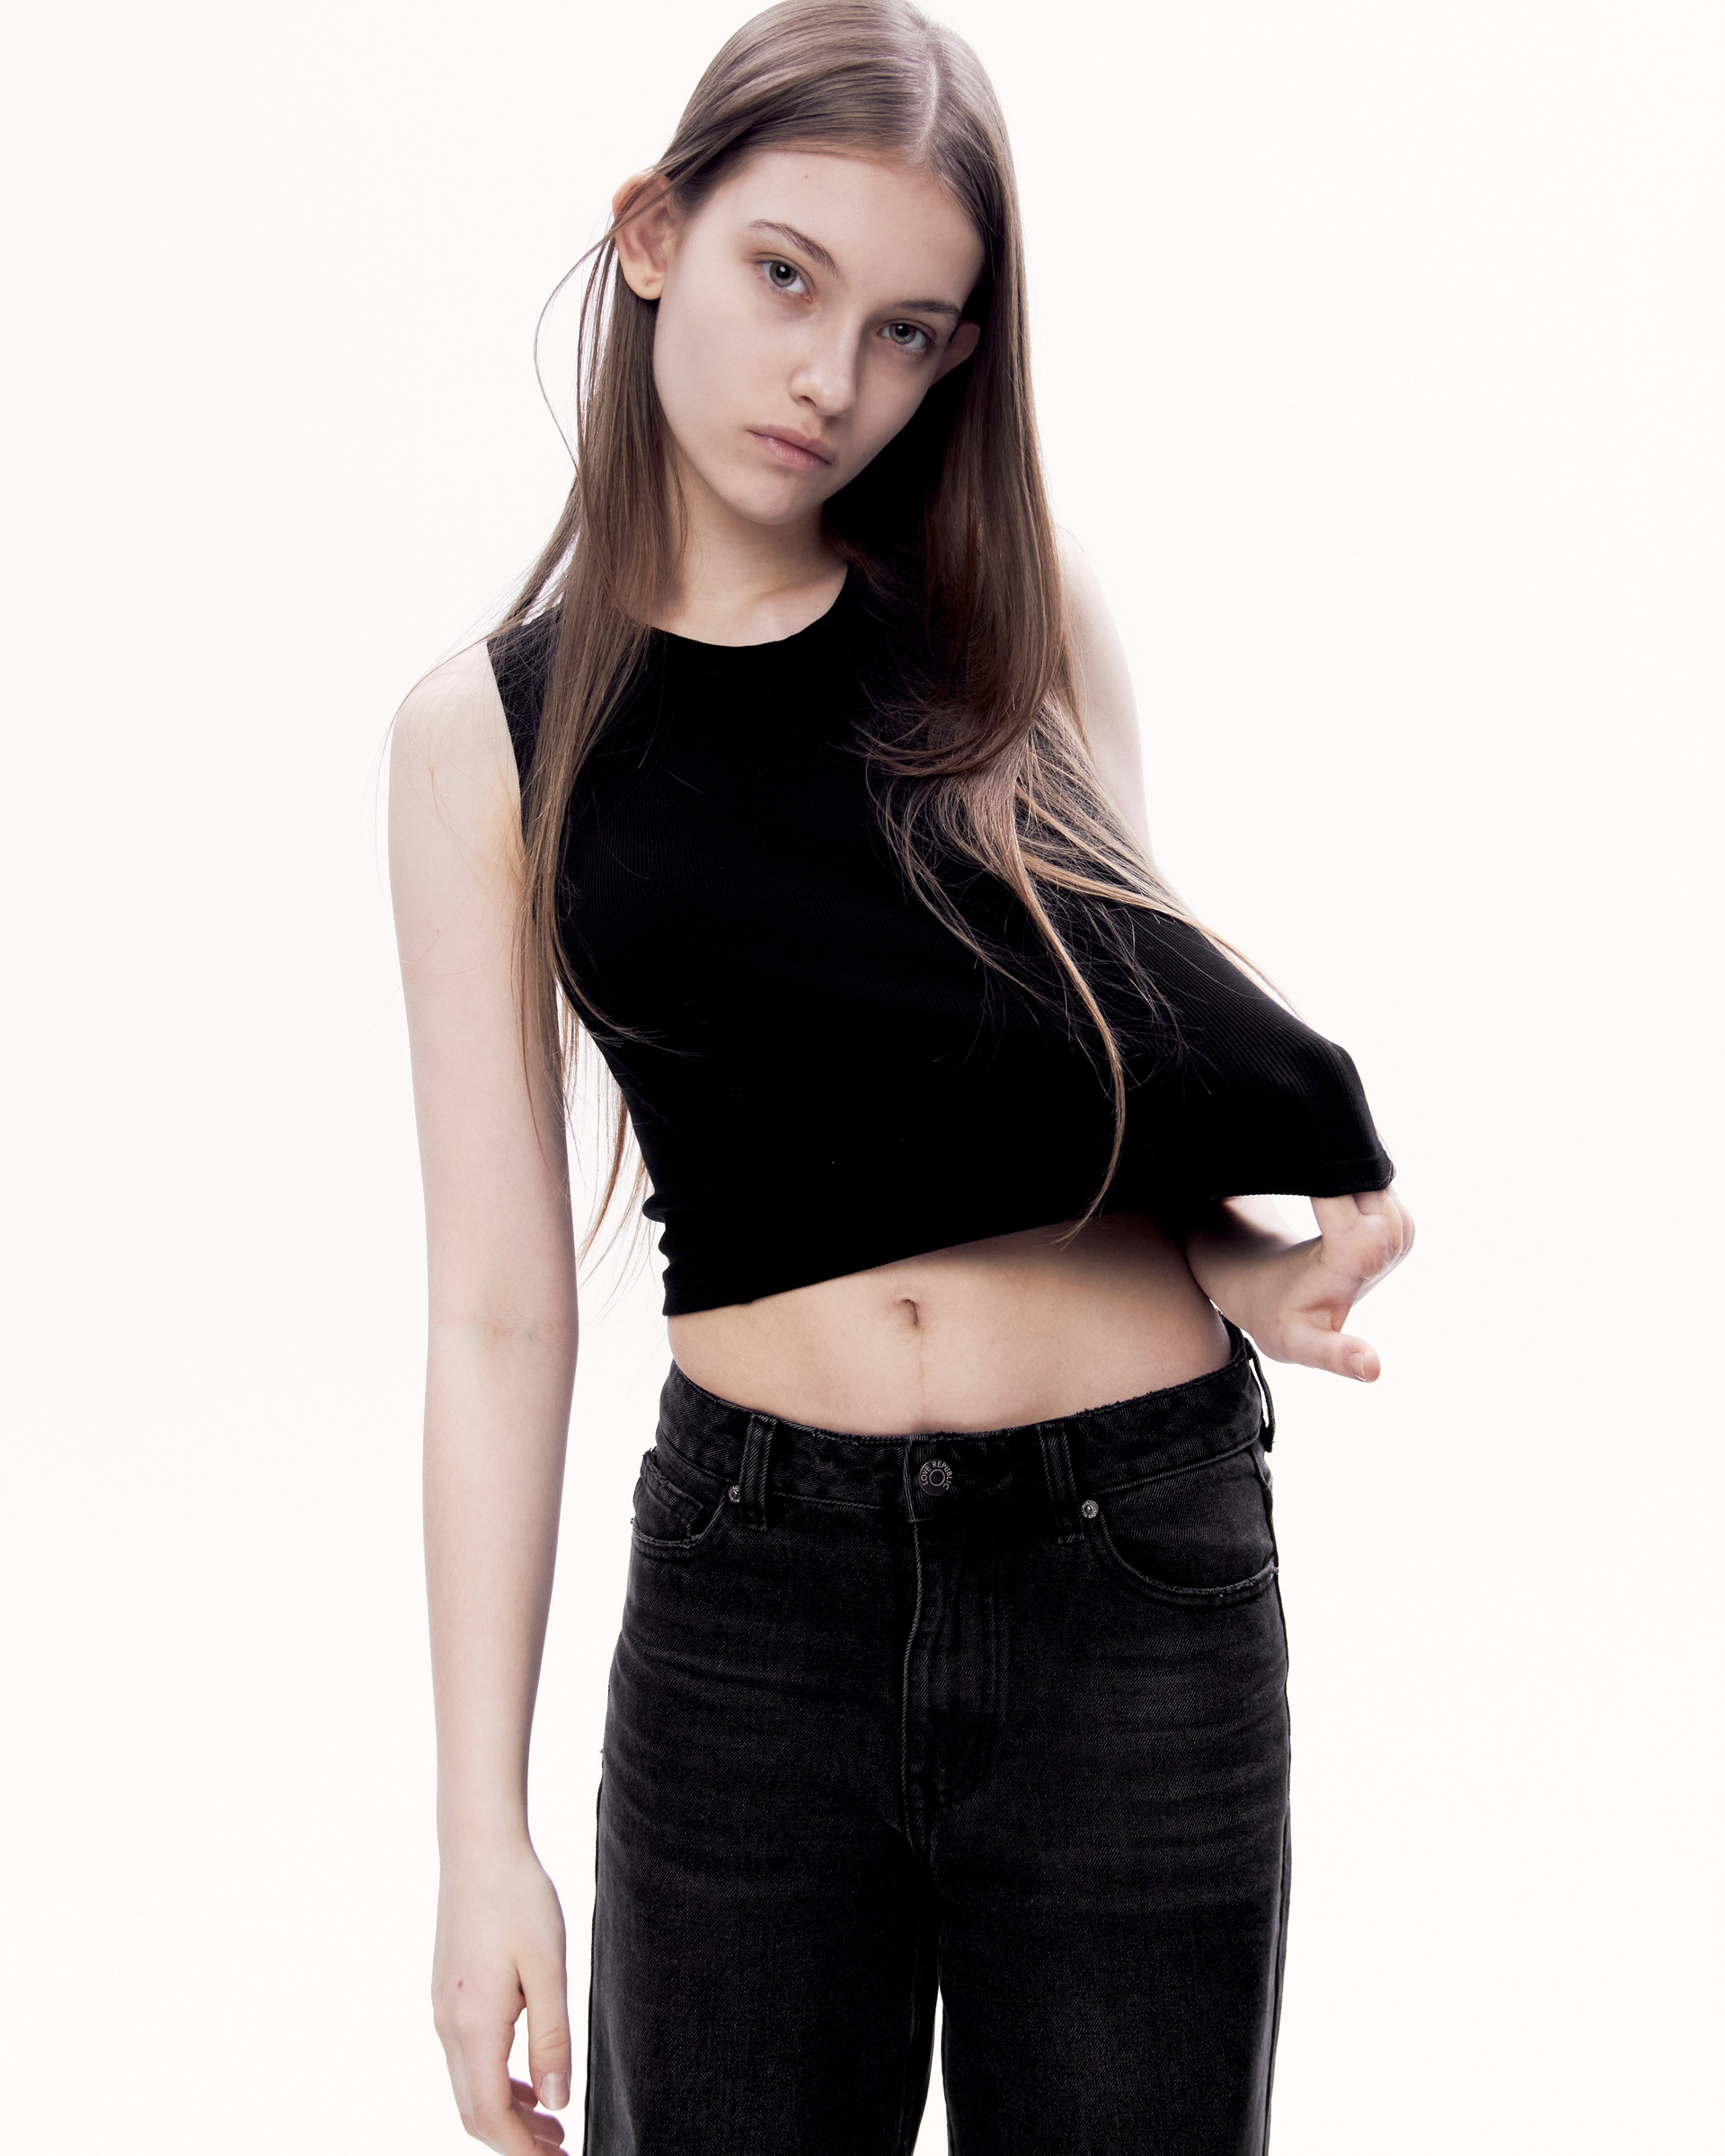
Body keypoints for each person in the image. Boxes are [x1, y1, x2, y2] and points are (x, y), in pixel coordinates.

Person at [388, 4, 1414, 2150]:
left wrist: (1248, 1260)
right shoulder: (485, 737)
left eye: (908, 332)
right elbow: (495, 1311)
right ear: (652, 234)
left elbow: (1100, 1079)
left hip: (1137, 1569)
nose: (830, 379)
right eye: (787, 277)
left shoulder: (1014, 628)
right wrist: (483, 1838)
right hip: (753, 1602)